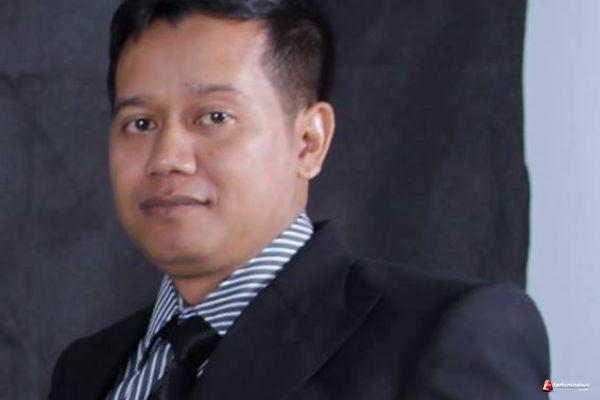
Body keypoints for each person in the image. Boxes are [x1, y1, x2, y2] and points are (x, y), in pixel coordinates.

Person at [48, 0, 550, 399]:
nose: (167, 158)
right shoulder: (87, 368)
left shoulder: (444, 336)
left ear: (309, 141)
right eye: (140, 123)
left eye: (214, 117)